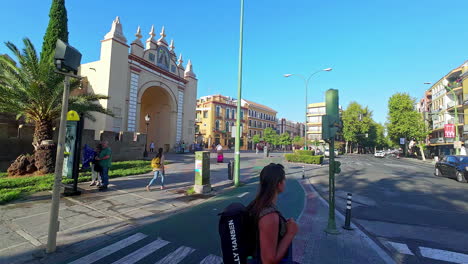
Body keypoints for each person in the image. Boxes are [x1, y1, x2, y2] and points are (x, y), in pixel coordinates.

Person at [247, 163, 298, 263]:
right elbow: (268, 261)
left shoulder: (257, 204)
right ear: (279, 184)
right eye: (284, 180)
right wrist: (290, 233)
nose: (285, 182)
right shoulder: (269, 216)